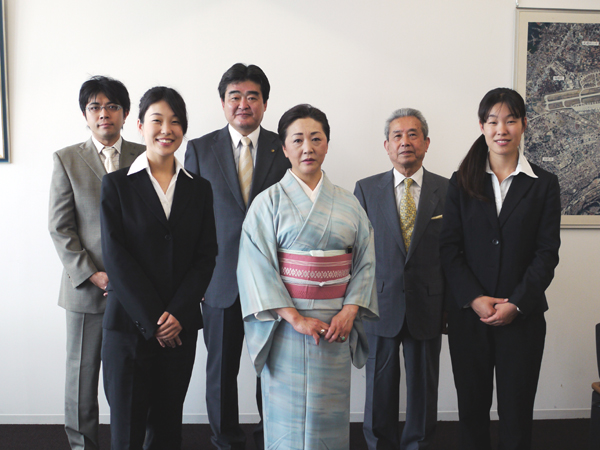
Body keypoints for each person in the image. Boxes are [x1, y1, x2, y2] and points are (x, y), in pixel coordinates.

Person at [237, 104, 379, 450]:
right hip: (285, 326)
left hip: (335, 326)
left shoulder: (348, 204)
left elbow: (365, 263)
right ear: (284, 148)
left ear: (327, 144)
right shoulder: (267, 203)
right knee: (285, 417)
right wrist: (295, 317)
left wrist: (349, 311)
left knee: (327, 416)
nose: (307, 148)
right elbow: (255, 267)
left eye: (316, 139)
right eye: (297, 139)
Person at [439, 87, 561, 450]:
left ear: (524, 124)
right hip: (469, 320)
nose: (501, 129)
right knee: (472, 414)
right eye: (493, 121)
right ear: (481, 126)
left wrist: (516, 303)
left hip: (521, 320)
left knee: (516, 413)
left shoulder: (544, 185)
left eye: (510, 120)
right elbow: (449, 248)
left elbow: (547, 254)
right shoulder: (461, 181)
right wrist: (475, 298)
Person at [100, 87, 217, 450]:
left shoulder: (200, 189)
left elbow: (205, 256)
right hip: (128, 329)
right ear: (139, 125)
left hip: (180, 331)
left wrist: (177, 314)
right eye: (157, 120)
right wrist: (154, 320)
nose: (167, 129)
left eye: (176, 122)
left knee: (168, 428)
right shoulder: (116, 186)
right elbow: (116, 259)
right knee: (128, 430)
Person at [184, 63, 290, 450]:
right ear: (223, 102)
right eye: (235, 96)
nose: (244, 104)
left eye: (252, 96)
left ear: (264, 103)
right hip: (219, 280)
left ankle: (272, 436)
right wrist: (192, 279)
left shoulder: (285, 147)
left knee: (274, 369)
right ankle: (225, 440)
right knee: (221, 371)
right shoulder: (198, 148)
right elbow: (188, 220)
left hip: (275, 281)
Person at [48, 75, 145, 450]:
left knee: (135, 377)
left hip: (137, 292)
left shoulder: (146, 155)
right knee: (82, 379)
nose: (104, 114)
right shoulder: (67, 159)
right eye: (95, 107)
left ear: (124, 114)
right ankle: (81, 446)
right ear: (85, 115)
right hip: (87, 290)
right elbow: (60, 228)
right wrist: (95, 275)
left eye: (112, 106)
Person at [354, 108, 448, 450]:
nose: (405, 142)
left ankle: (418, 445)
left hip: (429, 304)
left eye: (413, 135)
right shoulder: (365, 190)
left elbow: (453, 254)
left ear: (425, 143)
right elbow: (356, 252)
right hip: (380, 304)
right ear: (386, 145)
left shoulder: (448, 190)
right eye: (398, 135)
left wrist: (451, 305)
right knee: (378, 390)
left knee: (424, 389)